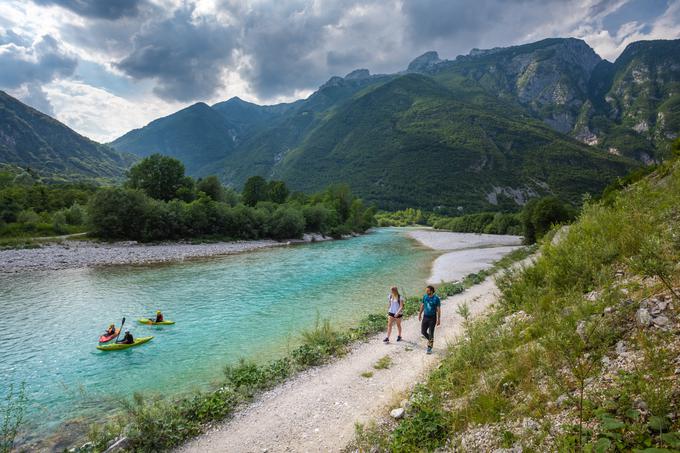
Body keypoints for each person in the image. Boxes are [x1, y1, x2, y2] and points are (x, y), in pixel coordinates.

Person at [418, 285, 441, 354]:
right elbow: (422, 305)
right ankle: (431, 339)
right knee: (423, 331)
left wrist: (439, 319)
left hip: (432, 318)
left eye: (428, 291)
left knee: (431, 333)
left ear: (431, 291)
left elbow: (438, 309)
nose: (426, 292)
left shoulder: (436, 298)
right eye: (426, 290)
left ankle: (429, 348)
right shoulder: (425, 296)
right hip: (425, 317)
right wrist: (419, 314)